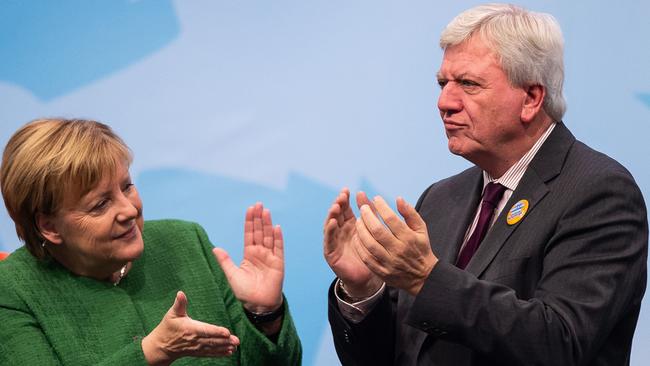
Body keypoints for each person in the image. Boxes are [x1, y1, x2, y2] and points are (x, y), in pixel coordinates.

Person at [324, 4, 647, 365]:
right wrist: (363, 289)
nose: (444, 103)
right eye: (443, 83)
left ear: (531, 98)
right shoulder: (441, 198)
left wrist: (428, 279)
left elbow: (561, 342)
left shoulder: (598, 192)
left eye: (468, 84)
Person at [0, 119, 302, 365]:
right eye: (100, 204)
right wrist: (152, 353)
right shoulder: (13, 290)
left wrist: (264, 315)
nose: (130, 210)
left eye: (127, 187)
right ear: (49, 226)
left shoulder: (186, 241)